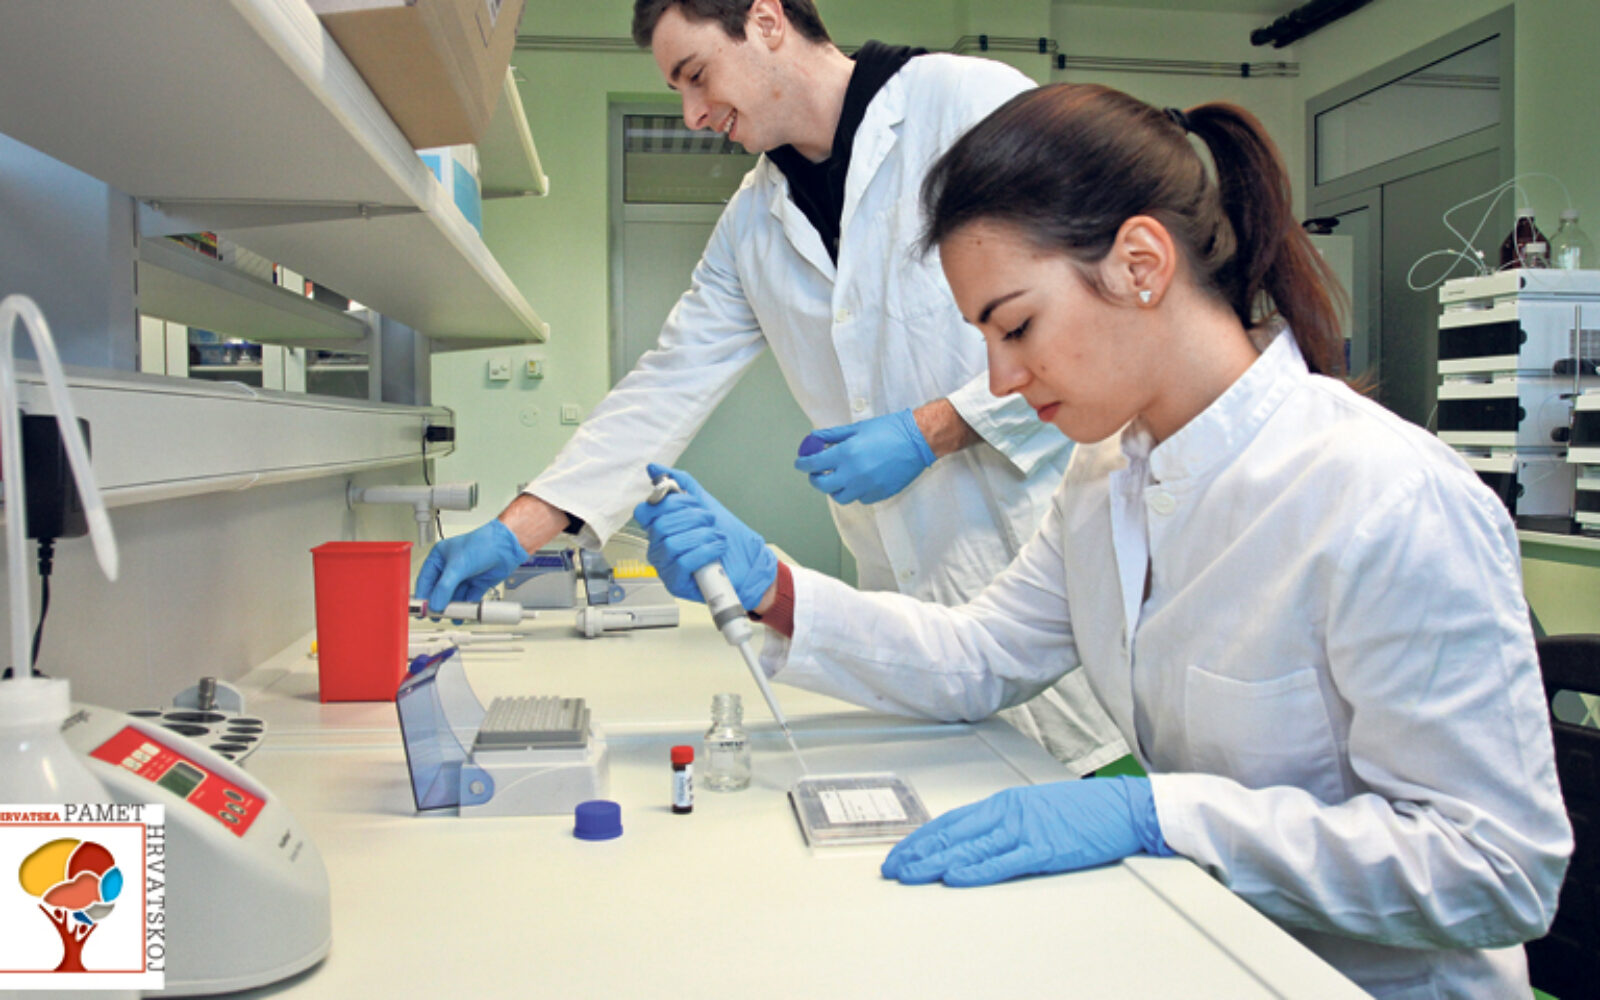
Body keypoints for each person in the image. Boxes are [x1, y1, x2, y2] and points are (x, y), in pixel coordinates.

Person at [633, 83, 1572, 999]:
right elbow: (979, 656)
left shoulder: (1382, 496)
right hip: (1205, 944)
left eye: (1016, 326)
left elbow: (1497, 870)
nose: (1000, 379)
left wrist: (1164, 814)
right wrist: (772, 589)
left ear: (1140, 264)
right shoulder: (1108, 474)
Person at [415, 0, 1126, 775]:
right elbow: (666, 382)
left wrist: (936, 428)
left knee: (1101, 802)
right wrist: (519, 529)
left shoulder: (966, 105)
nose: (691, 115)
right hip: (911, 640)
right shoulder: (750, 225)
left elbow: (1100, 321)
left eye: (696, 75)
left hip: (1059, 596)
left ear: (765, 20)